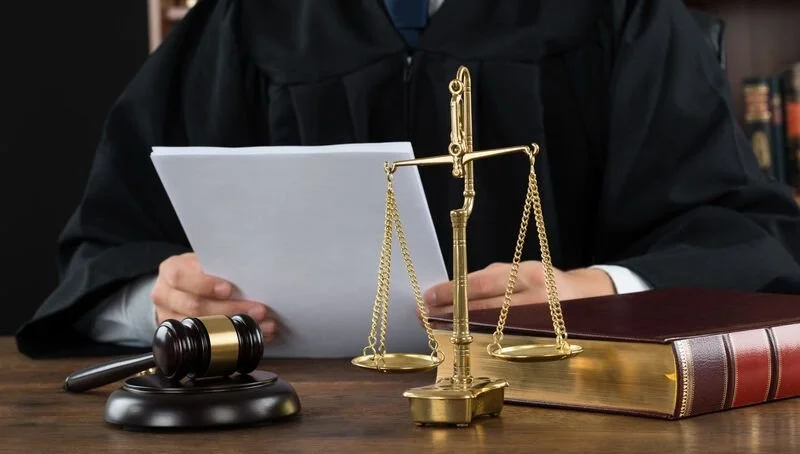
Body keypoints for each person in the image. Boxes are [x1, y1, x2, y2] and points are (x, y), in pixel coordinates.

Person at [16, 0, 800, 358]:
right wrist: (159, 299)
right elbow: (107, 246)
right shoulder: (247, 23)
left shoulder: (621, 16)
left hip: (575, 411)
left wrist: (598, 285)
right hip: (296, 422)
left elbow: (744, 240)